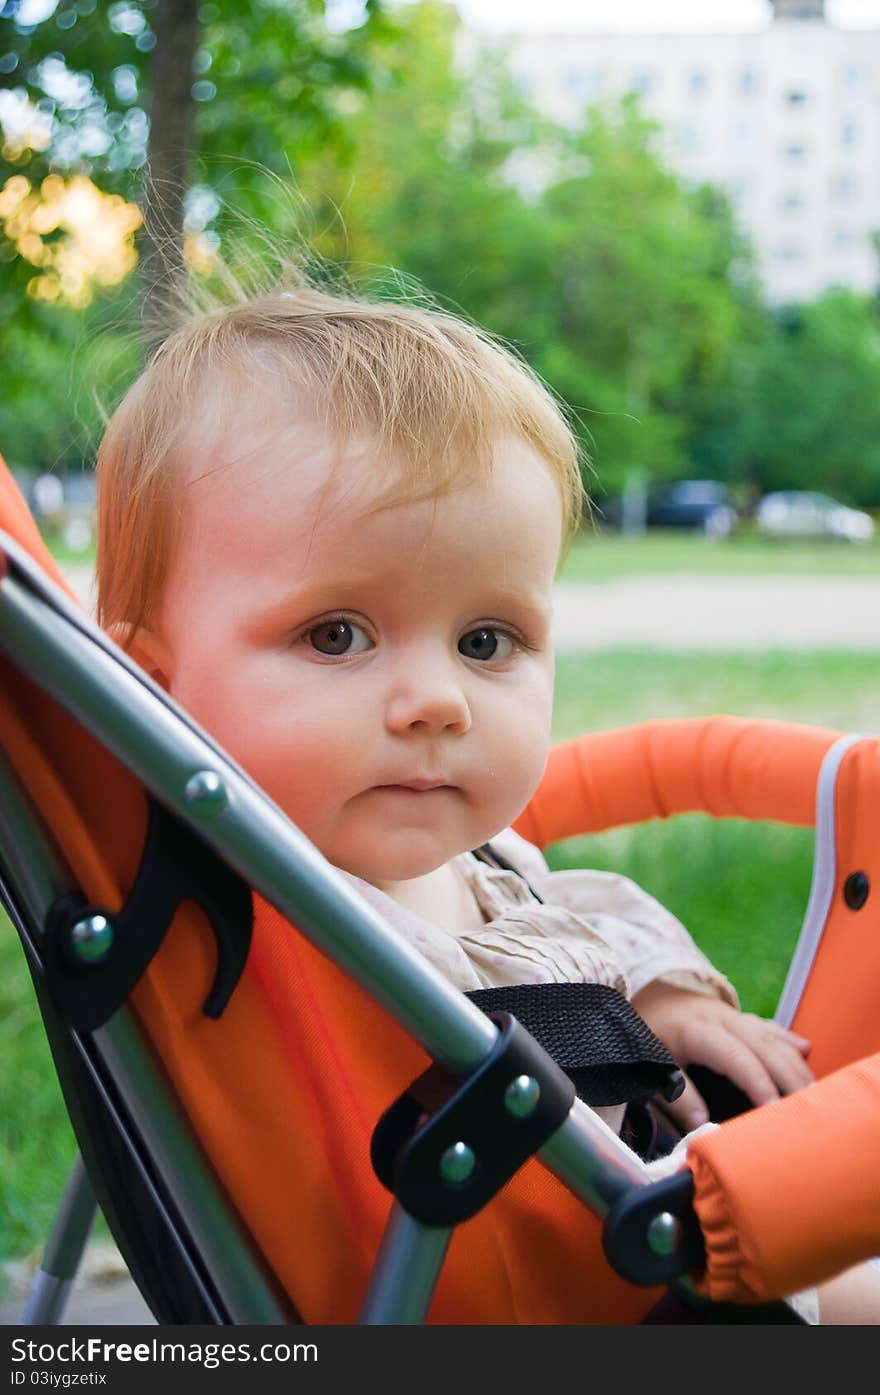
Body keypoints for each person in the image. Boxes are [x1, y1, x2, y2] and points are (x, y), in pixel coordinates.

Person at [91, 275, 874, 1319]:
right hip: (604, 1282)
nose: (436, 702)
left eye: (486, 641)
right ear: (151, 688)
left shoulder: (461, 857)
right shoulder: (283, 928)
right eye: (336, 634)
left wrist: (656, 995)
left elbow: (570, 904)